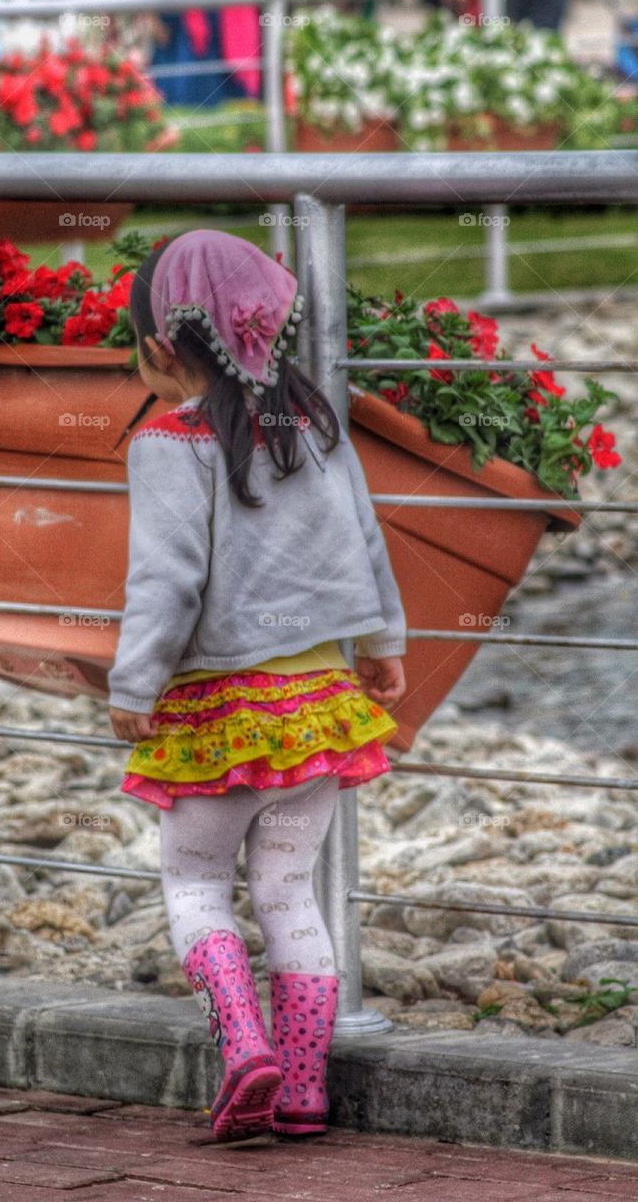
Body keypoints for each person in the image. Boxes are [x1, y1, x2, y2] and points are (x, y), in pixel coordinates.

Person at [108, 229, 407, 1142]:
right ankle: (305, 1091)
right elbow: (363, 538)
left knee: (195, 880)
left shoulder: (169, 442)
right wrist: (381, 640)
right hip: (318, 708)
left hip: (213, 710)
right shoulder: (313, 425)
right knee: (287, 891)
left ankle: (245, 1047)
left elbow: (167, 581)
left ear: (162, 348)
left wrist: (132, 684)